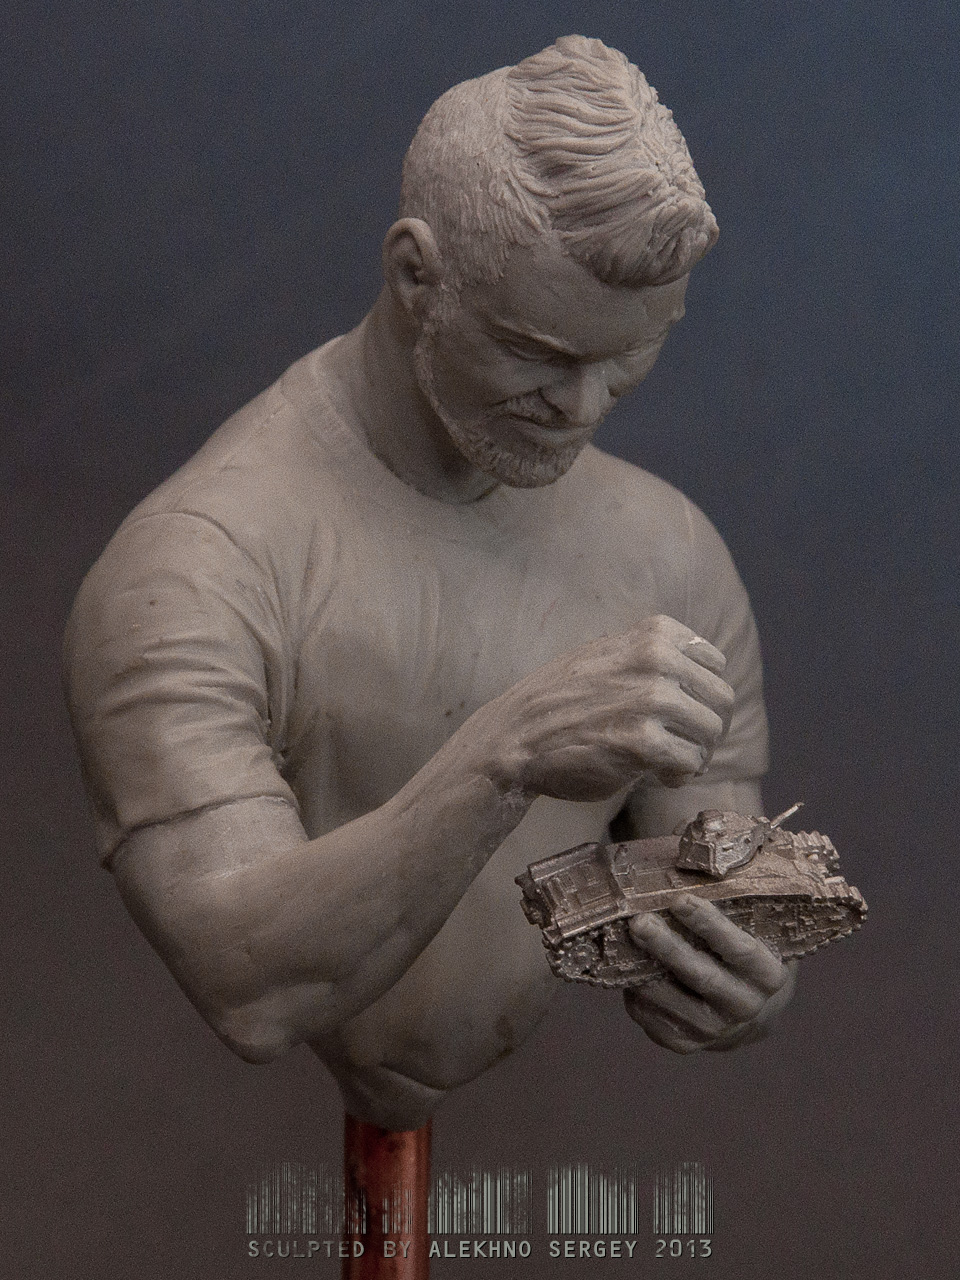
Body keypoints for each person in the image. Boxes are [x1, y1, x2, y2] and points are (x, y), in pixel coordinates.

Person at [64, 36, 794, 1131]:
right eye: (539, 351)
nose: (584, 407)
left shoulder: (671, 553)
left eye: (628, 357)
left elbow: (719, 878)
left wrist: (746, 973)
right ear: (417, 275)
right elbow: (245, 977)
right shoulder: (194, 566)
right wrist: (506, 753)